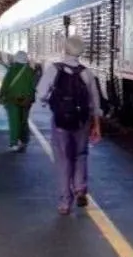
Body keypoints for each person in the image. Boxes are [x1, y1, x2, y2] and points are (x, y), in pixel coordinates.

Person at [35, 35, 102, 215]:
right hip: (82, 120)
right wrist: (96, 125)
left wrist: (49, 102)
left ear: (65, 49)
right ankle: (80, 189)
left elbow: (41, 94)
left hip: (60, 122)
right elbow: (95, 102)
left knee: (64, 160)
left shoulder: (53, 70)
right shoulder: (86, 73)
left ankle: (65, 202)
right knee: (81, 154)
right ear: (81, 51)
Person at [0, 50, 36, 152]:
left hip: (12, 99)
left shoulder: (12, 70)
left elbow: (5, 84)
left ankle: (14, 142)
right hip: (26, 100)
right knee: (23, 120)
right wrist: (31, 99)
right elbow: (33, 86)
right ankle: (24, 140)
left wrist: (1, 96)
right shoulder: (30, 71)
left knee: (14, 120)